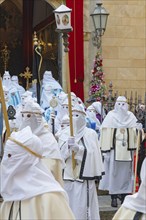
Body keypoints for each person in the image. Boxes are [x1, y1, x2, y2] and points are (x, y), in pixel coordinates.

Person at [0, 126, 75, 220]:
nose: (5, 161)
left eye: (10, 155)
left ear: (27, 160)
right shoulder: (9, 200)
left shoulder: (50, 199)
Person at [58, 104, 104, 220]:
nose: (74, 118)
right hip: (68, 177)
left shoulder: (90, 134)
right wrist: (68, 147)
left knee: (82, 207)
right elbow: (60, 156)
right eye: (72, 115)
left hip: (84, 179)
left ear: (84, 117)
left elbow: (94, 155)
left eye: (77, 115)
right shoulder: (64, 134)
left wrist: (79, 150)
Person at [99, 96, 143, 207]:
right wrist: (106, 152)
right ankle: (113, 197)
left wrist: (138, 129)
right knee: (113, 174)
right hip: (113, 151)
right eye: (119, 104)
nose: (121, 107)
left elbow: (138, 136)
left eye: (123, 104)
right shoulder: (111, 116)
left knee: (126, 175)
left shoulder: (131, 117)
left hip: (128, 151)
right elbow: (104, 132)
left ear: (127, 105)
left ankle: (124, 197)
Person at [19, 99, 64, 187]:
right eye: (23, 116)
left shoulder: (48, 140)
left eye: (29, 116)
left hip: (43, 186)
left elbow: (51, 166)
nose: (26, 120)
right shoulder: (19, 137)